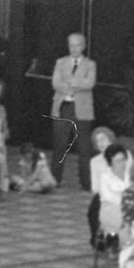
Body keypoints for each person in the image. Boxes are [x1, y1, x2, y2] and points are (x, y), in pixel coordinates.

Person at [49, 33, 98, 190]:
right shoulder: (60, 62)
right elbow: (56, 83)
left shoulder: (90, 64)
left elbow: (89, 83)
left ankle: (86, 183)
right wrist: (76, 83)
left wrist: (69, 81)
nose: (74, 48)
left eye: (77, 45)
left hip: (82, 110)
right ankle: (54, 180)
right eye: (71, 45)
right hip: (64, 107)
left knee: (84, 148)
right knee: (59, 146)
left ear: (83, 46)